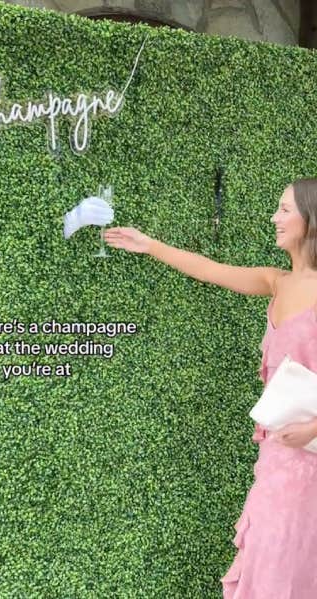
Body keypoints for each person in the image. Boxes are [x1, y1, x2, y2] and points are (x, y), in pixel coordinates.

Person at [104, 178, 317, 598]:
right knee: (269, 555)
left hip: (309, 454)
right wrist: (151, 245)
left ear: (311, 220)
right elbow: (210, 270)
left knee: (288, 559)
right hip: (276, 453)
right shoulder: (275, 281)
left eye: (285, 210)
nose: (275, 218)